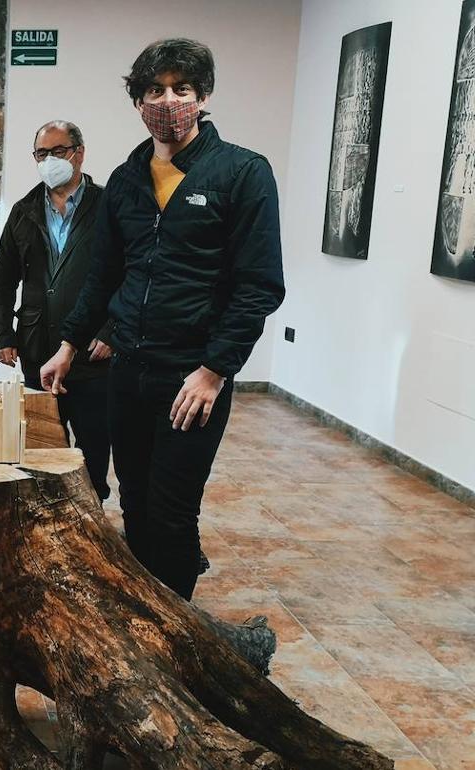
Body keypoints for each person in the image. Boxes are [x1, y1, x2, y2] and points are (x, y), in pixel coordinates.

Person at [41, 39, 285, 600]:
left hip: (191, 376)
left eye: (181, 89)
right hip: (129, 371)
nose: (167, 101)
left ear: (203, 97)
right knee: (135, 503)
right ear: (138, 102)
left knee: (173, 510)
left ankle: (177, 640)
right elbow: (103, 276)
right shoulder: (127, 180)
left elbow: (259, 287)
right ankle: (148, 620)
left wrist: (215, 370)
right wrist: (69, 345)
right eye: (155, 90)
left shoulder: (242, 173)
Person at [0, 119, 113, 501]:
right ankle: (51, 513)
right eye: (42, 153)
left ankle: (92, 512)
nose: (49, 160)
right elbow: (3, 278)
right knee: (42, 443)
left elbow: (130, 273)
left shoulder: (108, 205)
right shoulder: (24, 210)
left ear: (79, 153)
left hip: (93, 352)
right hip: (37, 345)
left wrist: (112, 331)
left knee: (93, 443)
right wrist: (3, 335)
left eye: (58, 151)